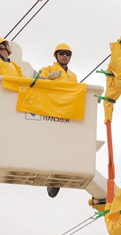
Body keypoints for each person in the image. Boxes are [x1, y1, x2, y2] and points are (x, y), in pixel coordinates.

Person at [41, 43, 77, 198]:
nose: (65, 56)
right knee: (53, 144)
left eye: (68, 54)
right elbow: (36, 83)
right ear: (56, 55)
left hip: (68, 113)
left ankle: (58, 177)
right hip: (52, 110)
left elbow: (78, 91)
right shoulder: (48, 69)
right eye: (62, 53)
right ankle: (51, 178)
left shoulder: (73, 76)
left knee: (67, 146)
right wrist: (48, 79)